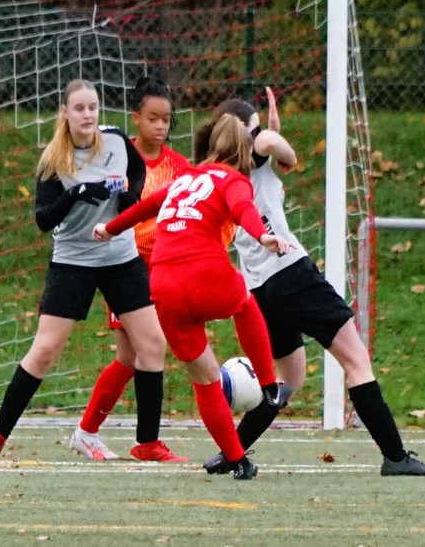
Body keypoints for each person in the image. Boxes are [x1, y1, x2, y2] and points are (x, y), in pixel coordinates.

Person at [196, 88, 425, 477]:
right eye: (255, 127)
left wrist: (269, 140)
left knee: (287, 380)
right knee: (355, 359)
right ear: (243, 134)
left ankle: (231, 452)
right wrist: (273, 140)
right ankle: (396, 457)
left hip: (260, 289)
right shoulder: (254, 151)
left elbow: (265, 151)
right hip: (292, 274)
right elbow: (278, 149)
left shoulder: (219, 175)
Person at [0, 79, 172, 461]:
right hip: (73, 260)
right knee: (45, 350)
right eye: (79, 108)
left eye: (93, 107)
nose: (88, 115)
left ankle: (148, 443)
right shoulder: (52, 159)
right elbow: (44, 220)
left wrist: (130, 199)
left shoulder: (115, 141)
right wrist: (74, 195)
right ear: (65, 112)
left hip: (120, 257)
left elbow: (139, 172)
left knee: (152, 344)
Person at [94, 114, 295, 480]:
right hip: (205, 273)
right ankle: (269, 387)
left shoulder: (184, 178)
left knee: (205, 380)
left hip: (163, 285)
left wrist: (109, 228)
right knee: (245, 303)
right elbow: (242, 209)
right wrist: (263, 235)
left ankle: (238, 461)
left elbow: (145, 207)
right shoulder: (234, 179)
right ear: (244, 151)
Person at [69, 76, 190, 462]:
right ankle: (100, 432)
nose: (160, 126)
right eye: (152, 118)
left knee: (139, 354)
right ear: (136, 118)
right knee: (132, 353)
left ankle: (97, 433)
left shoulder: (180, 167)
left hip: (165, 269)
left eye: (166, 119)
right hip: (125, 266)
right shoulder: (116, 155)